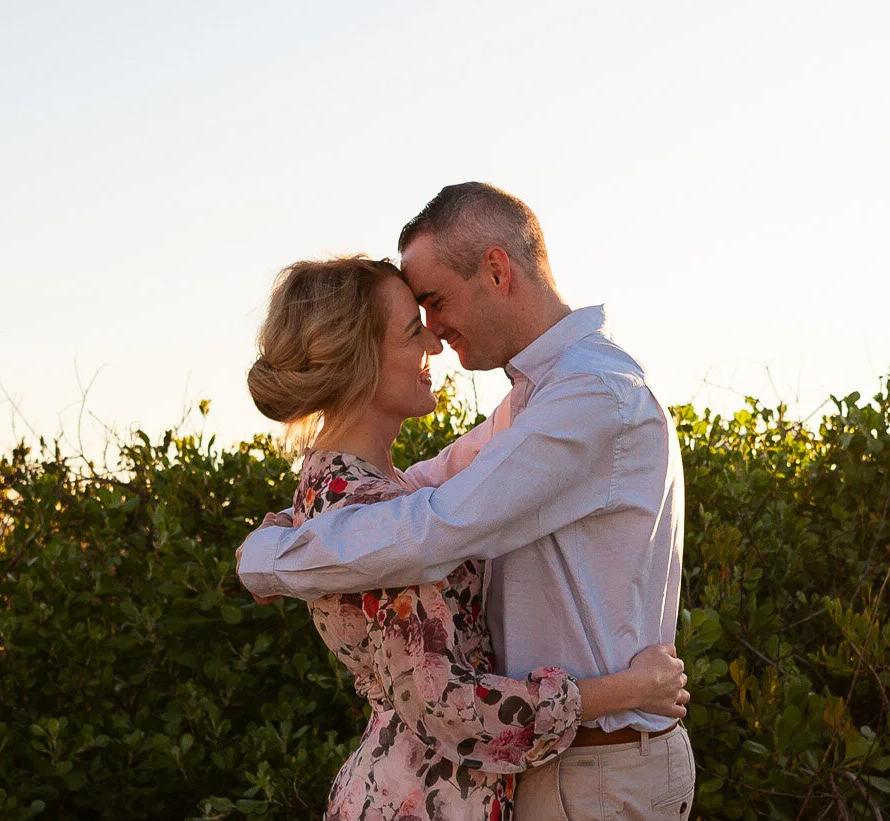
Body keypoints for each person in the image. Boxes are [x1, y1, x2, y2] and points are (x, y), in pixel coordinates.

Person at [240, 184, 693, 821]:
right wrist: (293, 531)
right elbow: (431, 491)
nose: (433, 334)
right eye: (415, 320)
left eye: (435, 302)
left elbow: (442, 520)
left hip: (596, 771)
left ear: (497, 270)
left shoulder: (590, 399)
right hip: (537, 769)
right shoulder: (539, 399)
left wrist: (273, 559)